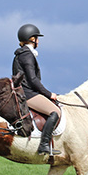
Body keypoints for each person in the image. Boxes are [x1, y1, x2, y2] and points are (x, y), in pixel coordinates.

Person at [13, 23, 61, 156]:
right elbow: (33, 80)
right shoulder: (27, 55)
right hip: (28, 94)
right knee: (55, 111)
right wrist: (49, 94)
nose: (38, 41)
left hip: (25, 91)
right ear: (32, 39)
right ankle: (44, 145)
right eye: (37, 38)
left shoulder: (21, 54)